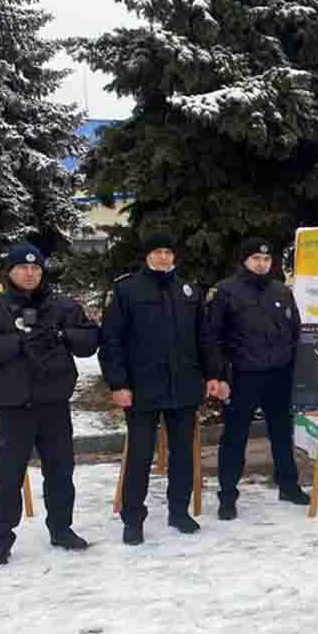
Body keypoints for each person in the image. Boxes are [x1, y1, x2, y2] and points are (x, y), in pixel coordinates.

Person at [0, 244, 100, 568]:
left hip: (53, 404)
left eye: (36, 268)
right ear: (10, 271)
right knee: (8, 478)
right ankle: (0, 541)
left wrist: (63, 335)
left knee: (61, 473)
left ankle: (62, 529)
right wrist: (17, 341)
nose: (29, 273)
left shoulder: (62, 306)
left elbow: (90, 340)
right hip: (13, 407)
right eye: (22, 268)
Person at [100, 233, 216, 544]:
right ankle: (133, 518)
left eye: (168, 251)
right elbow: (111, 341)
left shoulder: (189, 290)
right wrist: (118, 383)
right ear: (147, 256)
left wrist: (214, 374)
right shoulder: (127, 290)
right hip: (141, 389)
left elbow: (204, 339)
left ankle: (179, 511)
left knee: (182, 454)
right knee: (139, 454)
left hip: (183, 386)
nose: (164, 257)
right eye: (158, 251)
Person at [205, 238, 310, 520]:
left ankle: (288, 485)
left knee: (282, 434)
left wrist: (294, 368)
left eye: (266, 260)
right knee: (234, 437)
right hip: (242, 376)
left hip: (278, 375)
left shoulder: (282, 291)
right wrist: (217, 375)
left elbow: (295, 331)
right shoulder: (226, 291)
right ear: (244, 261)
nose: (262, 264)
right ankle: (227, 495)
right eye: (255, 259)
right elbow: (212, 337)